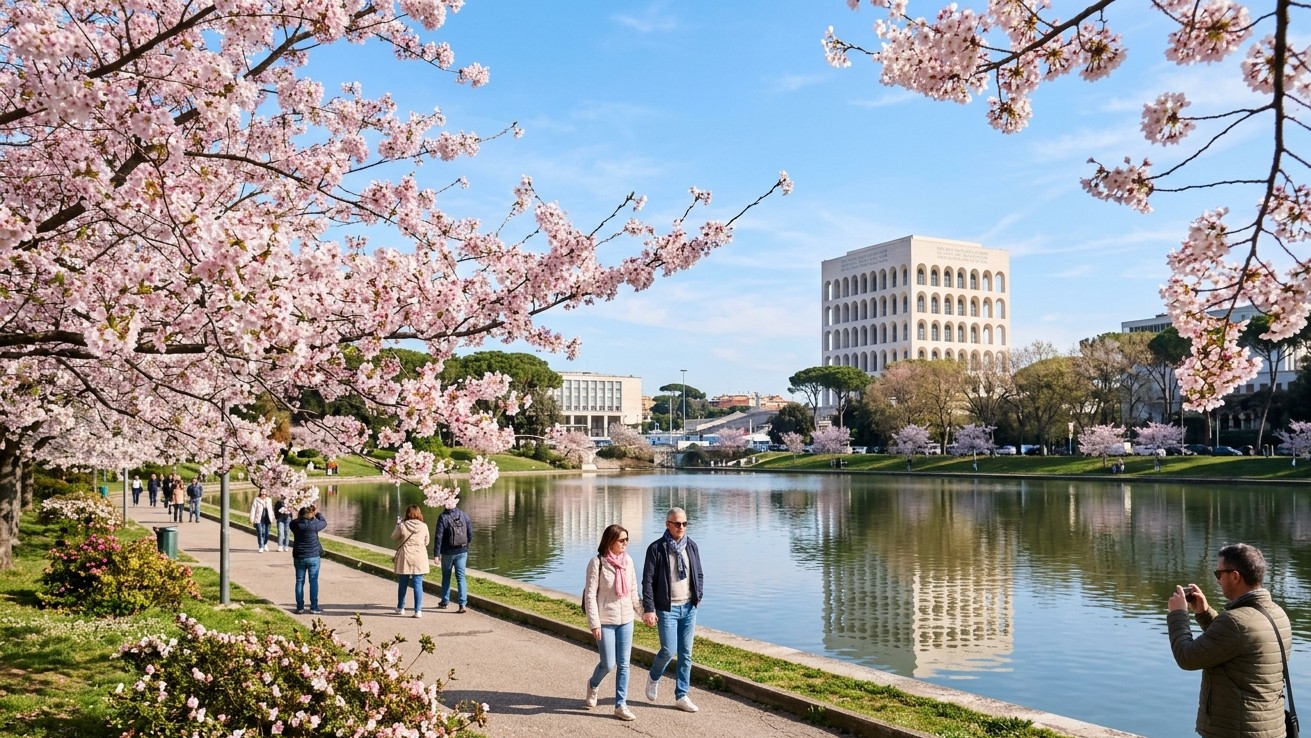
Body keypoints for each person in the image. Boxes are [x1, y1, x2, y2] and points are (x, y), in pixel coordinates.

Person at [1168, 543, 1292, 738]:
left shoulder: (1236, 622)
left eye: (1219, 574)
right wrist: (1204, 613)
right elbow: (1235, 644)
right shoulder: (1277, 614)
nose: (1217, 581)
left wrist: (1178, 614)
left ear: (1235, 576)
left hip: (1236, 732)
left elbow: (1186, 657)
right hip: (1270, 729)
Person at [641, 506, 704, 713]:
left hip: (689, 607)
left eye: (685, 523)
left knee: (686, 653)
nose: (681, 527)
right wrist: (649, 609)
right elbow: (647, 581)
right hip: (666, 608)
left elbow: (699, 573)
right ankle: (654, 677)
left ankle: (681, 695)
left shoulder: (691, 546)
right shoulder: (656, 549)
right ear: (667, 524)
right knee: (668, 650)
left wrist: (698, 595)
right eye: (677, 524)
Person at [583, 524, 642, 721]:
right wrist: (594, 624)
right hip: (605, 620)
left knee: (624, 664)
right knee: (608, 663)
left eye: (627, 540)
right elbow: (590, 596)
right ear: (610, 541)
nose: (625, 544)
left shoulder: (628, 561)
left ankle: (620, 705)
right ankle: (593, 684)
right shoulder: (597, 563)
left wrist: (643, 613)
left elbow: (633, 591)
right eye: (621, 540)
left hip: (626, 619)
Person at [391, 504, 431, 617]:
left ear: (407, 514)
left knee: (403, 583)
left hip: (405, 556)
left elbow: (394, 537)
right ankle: (418, 610)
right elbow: (427, 541)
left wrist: (397, 525)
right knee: (418, 583)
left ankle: (401, 607)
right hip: (419, 557)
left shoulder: (402, 526)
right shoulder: (424, 526)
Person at [434, 499, 473, 613]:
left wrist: (437, 554)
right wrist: (466, 545)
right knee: (461, 577)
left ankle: (445, 601)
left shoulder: (443, 517)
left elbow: (439, 537)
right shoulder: (464, 515)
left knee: (446, 576)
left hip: (447, 552)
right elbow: (470, 533)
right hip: (462, 550)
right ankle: (462, 604)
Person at [290, 503, 327, 614]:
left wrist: (301, 516)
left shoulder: (295, 524)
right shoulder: (314, 524)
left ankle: (300, 607)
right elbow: (324, 522)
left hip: (299, 556)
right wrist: (317, 513)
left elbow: (294, 521)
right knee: (313, 581)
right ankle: (314, 607)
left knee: (299, 581)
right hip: (313, 556)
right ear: (311, 514)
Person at [248, 488, 275, 552]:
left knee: (267, 533)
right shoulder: (256, 499)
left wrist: (272, 517)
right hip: (259, 519)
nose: (264, 493)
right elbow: (253, 509)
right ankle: (261, 546)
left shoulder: (269, 500)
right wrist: (251, 518)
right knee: (260, 532)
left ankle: (265, 544)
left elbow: (271, 509)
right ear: (260, 492)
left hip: (267, 519)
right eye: (263, 491)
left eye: (265, 492)